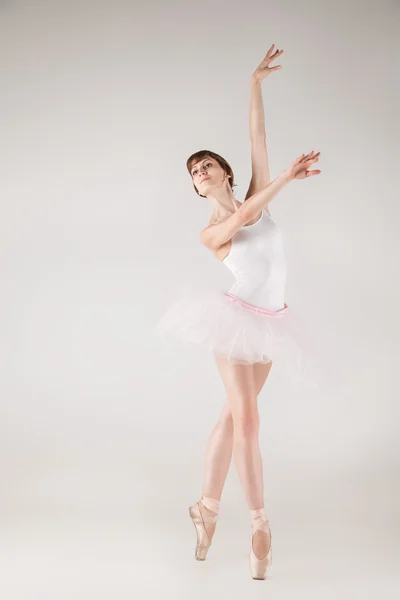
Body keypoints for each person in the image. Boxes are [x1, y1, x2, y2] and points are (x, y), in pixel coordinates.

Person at [155, 44, 322, 580]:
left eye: (207, 165)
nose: (200, 172)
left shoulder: (257, 198)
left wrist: (254, 85)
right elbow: (249, 210)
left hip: (273, 327)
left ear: (225, 172)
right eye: (193, 172)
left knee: (232, 417)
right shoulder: (211, 232)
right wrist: (287, 180)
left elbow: (258, 141)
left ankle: (204, 508)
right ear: (195, 188)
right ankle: (259, 526)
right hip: (234, 326)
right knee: (248, 419)